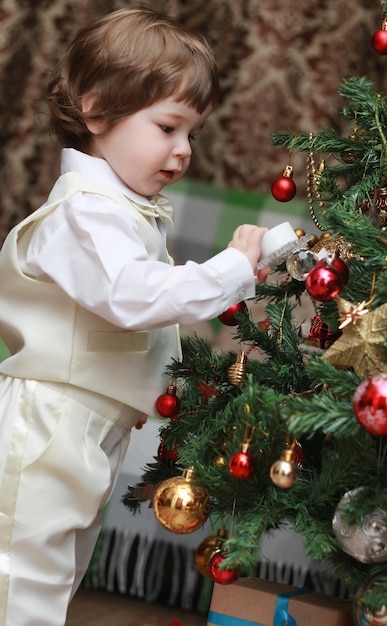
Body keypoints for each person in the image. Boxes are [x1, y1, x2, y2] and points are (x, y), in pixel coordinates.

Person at [0, 5, 269, 625]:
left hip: (89, 426)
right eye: (169, 127)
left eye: (192, 134)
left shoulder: (122, 211)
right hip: (49, 423)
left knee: (56, 578)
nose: (183, 151)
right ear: (96, 112)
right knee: (23, 583)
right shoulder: (85, 213)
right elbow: (135, 296)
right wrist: (231, 266)